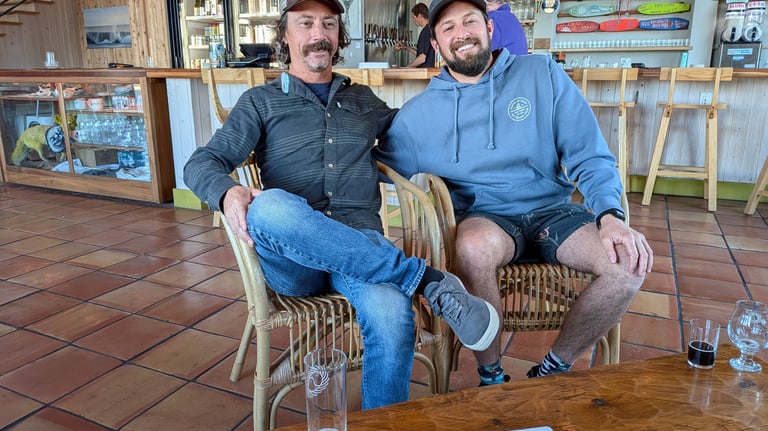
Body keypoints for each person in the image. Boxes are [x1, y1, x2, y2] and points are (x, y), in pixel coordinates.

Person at [183, 0, 499, 409]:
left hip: (360, 245)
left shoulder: (363, 100)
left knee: (392, 315)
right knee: (270, 206)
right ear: (285, 35)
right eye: (306, 24)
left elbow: (417, 132)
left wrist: (467, 88)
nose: (318, 34)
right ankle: (425, 280)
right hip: (295, 262)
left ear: (337, 36)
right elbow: (201, 162)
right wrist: (227, 192)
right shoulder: (259, 102)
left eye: (328, 24)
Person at [378, 0, 653, 386]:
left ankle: (554, 368)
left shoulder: (541, 73)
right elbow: (378, 167)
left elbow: (589, 153)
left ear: (489, 28)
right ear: (437, 45)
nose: (462, 33)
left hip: (554, 212)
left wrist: (610, 216)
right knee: (471, 249)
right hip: (486, 219)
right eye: (448, 28)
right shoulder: (417, 115)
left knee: (627, 264)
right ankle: (491, 376)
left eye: (470, 21)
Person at [396, 3, 436, 67]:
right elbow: (421, 54)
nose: (414, 21)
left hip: (426, 72)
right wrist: (406, 47)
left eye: (414, 18)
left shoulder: (426, 31)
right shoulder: (430, 29)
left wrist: (407, 67)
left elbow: (422, 58)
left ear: (420, 16)